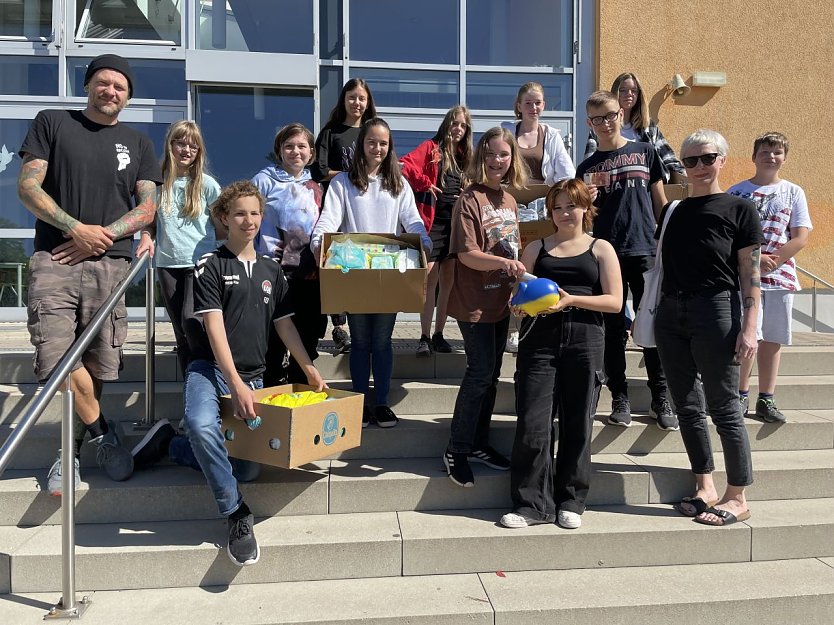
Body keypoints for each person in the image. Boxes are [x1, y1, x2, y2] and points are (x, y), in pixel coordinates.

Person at [130, 180, 326, 566]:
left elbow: (285, 326)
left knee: (247, 469)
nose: (248, 220)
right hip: (210, 372)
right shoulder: (209, 265)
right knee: (203, 425)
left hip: (252, 379)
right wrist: (235, 383)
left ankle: (171, 444)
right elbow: (214, 329)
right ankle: (236, 514)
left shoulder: (273, 270)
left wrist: (310, 369)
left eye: (255, 213)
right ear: (224, 217)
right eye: (240, 213)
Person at [16, 54, 161, 496]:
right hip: (56, 258)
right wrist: (75, 229)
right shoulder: (53, 122)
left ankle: (71, 450)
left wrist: (103, 235)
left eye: (120, 86)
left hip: (111, 265)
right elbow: (27, 186)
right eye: (103, 82)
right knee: (57, 355)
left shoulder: (138, 144)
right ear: (88, 85)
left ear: (128, 96)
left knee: (97, 360)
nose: (110, 91)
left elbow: (149, 207)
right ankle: (102, 432)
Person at [655, 129, 763, 526]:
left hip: (716, 310)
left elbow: (750, 275)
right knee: (685, 404)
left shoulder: (740, 209)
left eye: (707, 158)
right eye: (690, 161)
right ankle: (705, 485)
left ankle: (738, 495)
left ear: (722, 159)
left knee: (724, 407)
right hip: (671, 312)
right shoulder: (673, 211)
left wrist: (749, 327)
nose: (699, 167)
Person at [501, 179, 621, 530]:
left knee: (578, 421)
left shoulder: (601, 249)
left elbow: (614, 303)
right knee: (534, 423)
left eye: (572, 205)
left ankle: (571, 499)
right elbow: (519, 296)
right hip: (540, 339)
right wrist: (518, 307)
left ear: (586, 207)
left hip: (586, 338)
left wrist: (571, 300)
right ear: (549, 212)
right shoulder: (536, 247)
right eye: (557, 207)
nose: (565, 213)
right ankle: (531, 504)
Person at [311, 118, 431, 429]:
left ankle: (381, 404)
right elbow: (329, 221)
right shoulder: (343, 183)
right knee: (361, 340)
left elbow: (413, 222)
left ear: (390, 147)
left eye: (383, 143)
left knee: (382, 340)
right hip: (354, 271)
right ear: (361, 145)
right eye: (371, 142)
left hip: (389, 271)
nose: (377, 148)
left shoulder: (398, 182)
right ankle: (361, 401)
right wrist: (318, 242)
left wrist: (424, 243)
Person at [575, 90, 674, 431]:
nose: (605, 123)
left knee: (652, 326)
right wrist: (585, 203)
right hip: (605, 254)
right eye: (596, 119)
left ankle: (661, 397)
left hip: (644, 249)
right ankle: (620, 397)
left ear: (621, 114)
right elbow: (581, 220)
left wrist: (666, 240)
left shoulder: (645, 152)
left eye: (610, 115)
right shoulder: (586, 167)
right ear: (589, 124)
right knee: (613, 331)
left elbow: (660, 202)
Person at [442, 127, 528, 488]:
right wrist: (503, 266)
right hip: (474, 303)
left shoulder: (509, 201)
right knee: (479, 373)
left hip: (501, 301)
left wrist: (517, 287)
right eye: (491, 154)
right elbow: (467, 255)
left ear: (512, 160)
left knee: (491, 376)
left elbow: (514, 250)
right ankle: (456, 449)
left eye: (503, 155)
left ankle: (478, 443)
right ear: (481, 157)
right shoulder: (470, 199)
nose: (497, 161)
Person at [728, 132, 812, 423]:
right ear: (754, 156)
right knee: (749, 336)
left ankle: (767, 397)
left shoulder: (793, 192)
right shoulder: (737, 192)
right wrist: (753, 260)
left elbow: (800, 236)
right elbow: (729, 235)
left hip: (780, 277)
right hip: (744, 277)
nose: (771, 156)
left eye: (777, 152)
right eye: (765, 151)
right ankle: (740, 394)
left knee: (772, 339)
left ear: (784, 158)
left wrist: (772, 261)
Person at [501, 82, 576, 353]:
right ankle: (512, 328)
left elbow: (566, 172)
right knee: (512, 269)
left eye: (538, 102)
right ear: (519, 106)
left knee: (534, 269)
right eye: (529, 102)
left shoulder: (551, 135)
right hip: (508, 210)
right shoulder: (507, 132)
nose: (534, 108)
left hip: (539, 211)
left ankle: (538, 321)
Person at [143, 120, 221, 377]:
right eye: (181, 143)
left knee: (193, 321)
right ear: (170, 145)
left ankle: (210, 379)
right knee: (181, 331)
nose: (186, 150)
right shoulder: (156, 184)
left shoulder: (206, 185)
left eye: (193, 146)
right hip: (168, 264)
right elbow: (149, 223)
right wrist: (145, 236)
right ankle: (192, 390)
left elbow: (224, 224)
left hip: (199, 263)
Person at [252, 123, 326, 386]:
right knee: (272, 343)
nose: (296, 151)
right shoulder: (263, 180)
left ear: (311, 153)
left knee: (306, 340)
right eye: (289, 146)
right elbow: (246, 221)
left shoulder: (316, 186)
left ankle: (299, 398)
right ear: (280, 150)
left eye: (301, 146)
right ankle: (271, 399)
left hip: (310, 276)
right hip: (273, 274)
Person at [311, 78, 378, 355]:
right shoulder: (331, 132)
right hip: (337, 204)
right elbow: (318, 170)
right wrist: (350, 177)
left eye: (362, 98)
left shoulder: (372, 132)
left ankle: (363, 322)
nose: (357, 103)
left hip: (368, 207)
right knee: (337, 262)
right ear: (344, 100)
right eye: (352, 97)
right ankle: (340, 328)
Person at [400, 105, 473, 357]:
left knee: (448, 282)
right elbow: (403, 165)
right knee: (429, 280)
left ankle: (440, 334)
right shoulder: (431, 148)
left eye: (463, 125)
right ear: (446, 124)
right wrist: (425, 183)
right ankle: (424, 336)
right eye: (454, 123)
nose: (458, 129)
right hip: (434, 224)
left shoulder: (466, 156)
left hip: (456, 225)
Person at [583, 72, 685, 184]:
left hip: (647, 190)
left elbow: (669, 160)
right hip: (612, 190)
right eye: (623, 90)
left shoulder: (648, 127)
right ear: (615, 93)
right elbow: (590, 169)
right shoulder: (601, 128)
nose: (629, 94)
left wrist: (683, 180)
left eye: (634, 90)